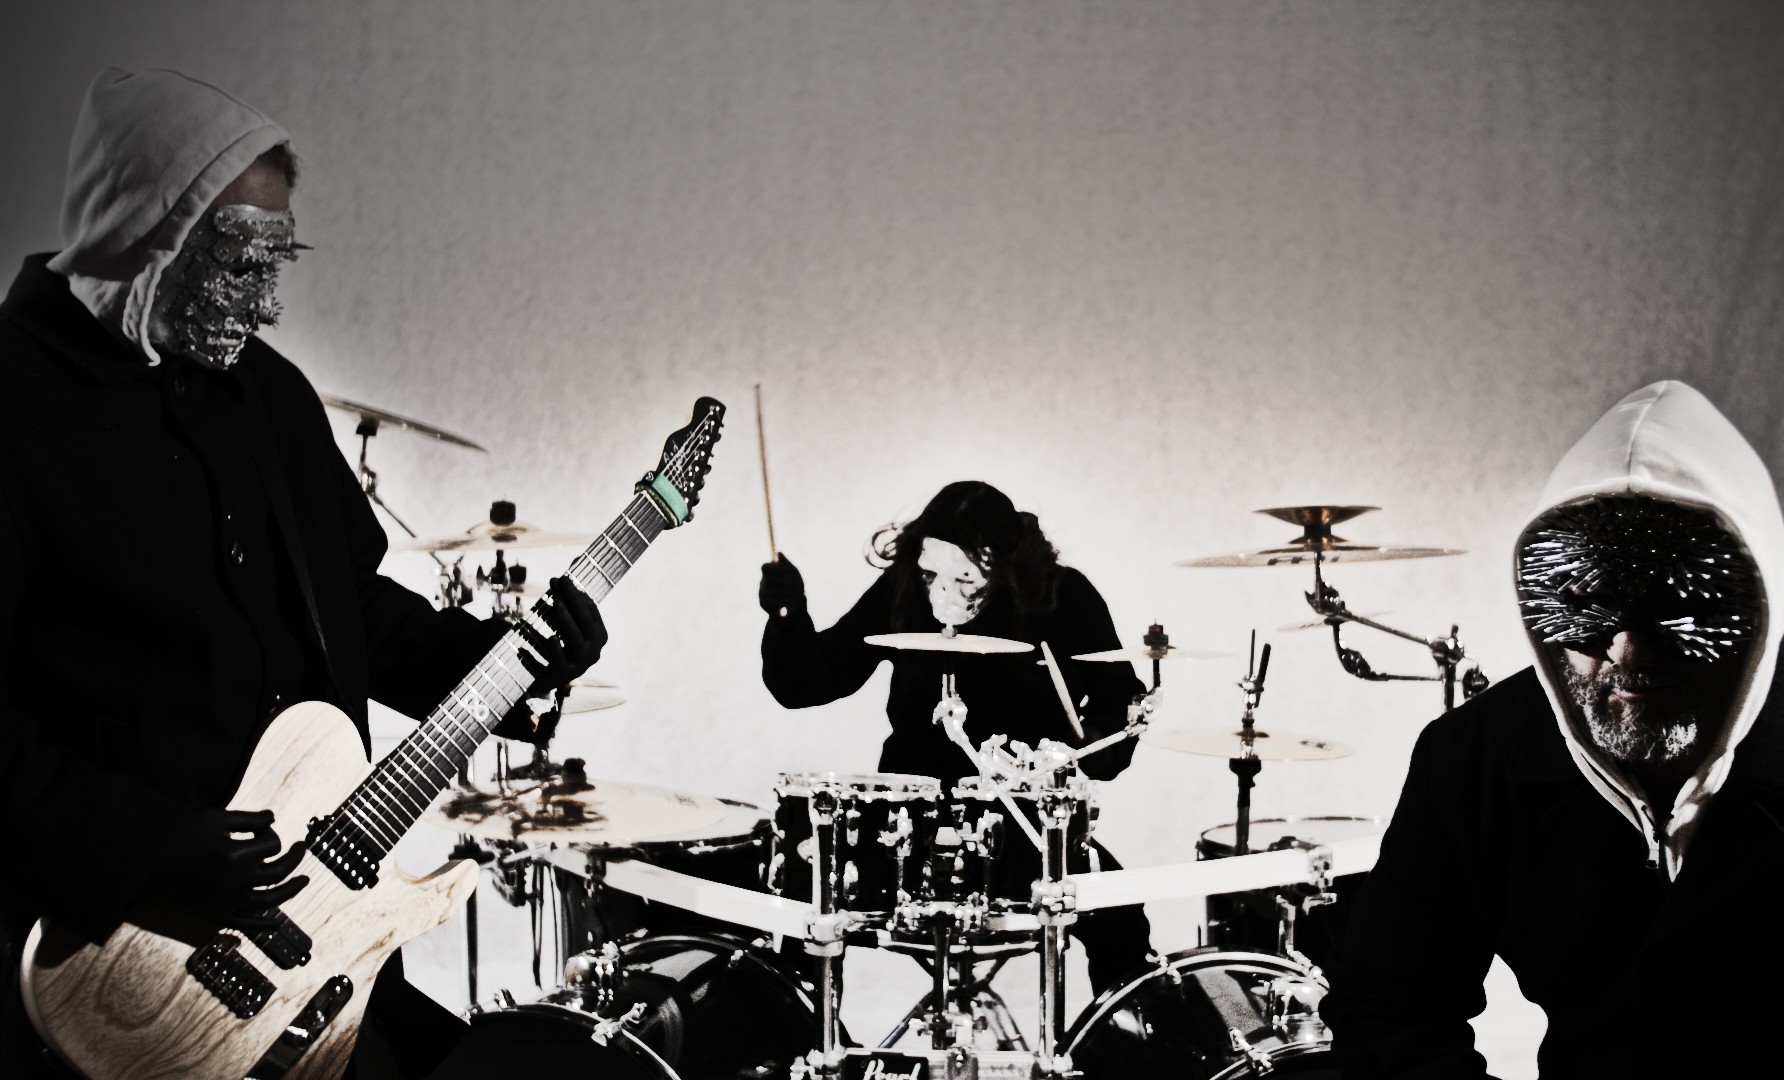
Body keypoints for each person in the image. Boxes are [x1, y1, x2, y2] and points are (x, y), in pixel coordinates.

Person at [0, 69, 608, 1077]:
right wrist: (144, 849)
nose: (270, 302)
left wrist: (511, 662)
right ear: (149, 233)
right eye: (242, 264)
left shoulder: (269, 396)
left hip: (319, 962)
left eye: (277, 263)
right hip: (101, 984)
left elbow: (350, 611)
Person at [1321, 381, 1784, 1078]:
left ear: (1759, 596)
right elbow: (1389, 1008)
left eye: (1677, 604)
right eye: (1588, 601)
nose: (1629, 650)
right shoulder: (1471, 757)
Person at [758, 479, 1155, 993]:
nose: (943, 592)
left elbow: (1117, 700)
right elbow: (809, 683)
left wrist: (1087, 749)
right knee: (807, 895)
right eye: (931, 574)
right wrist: (788, 616)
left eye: (966, 579)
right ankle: (802, 1028)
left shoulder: (1061, 594)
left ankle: (1119, 1032)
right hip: (905, 831)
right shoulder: (904, 588)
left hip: (1022, 824)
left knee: (1121, 918)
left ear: (1005, 568)